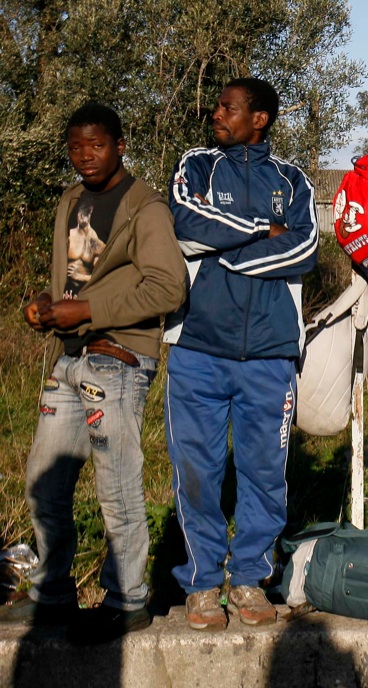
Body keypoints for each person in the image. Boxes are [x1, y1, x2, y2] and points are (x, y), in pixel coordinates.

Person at [0, 103, 187, 643]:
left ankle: (127, 601)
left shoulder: (145, 207)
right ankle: (53, 594)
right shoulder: (70, 200)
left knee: (117, 485)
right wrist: (47, 305)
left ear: (120, 146)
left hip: (119, 359)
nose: (85, 156)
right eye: (76, 147)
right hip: (69, 357)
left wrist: (86, 311)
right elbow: (75, 280)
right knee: (44, 481)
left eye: (97, 145)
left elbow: (168, 287)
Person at [164, 77, 318, 631]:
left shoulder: (293, 180)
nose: (216, 114)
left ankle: (250, 578)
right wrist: (258, 230)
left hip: (271, 354)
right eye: (217, 107)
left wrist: (230, 256)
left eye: (228, 108)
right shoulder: (197, 165)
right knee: (197, 472)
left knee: (264, 473)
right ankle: (203, 584)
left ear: (260, 118)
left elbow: (304, 247)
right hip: (198, 348)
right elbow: (186, 223)